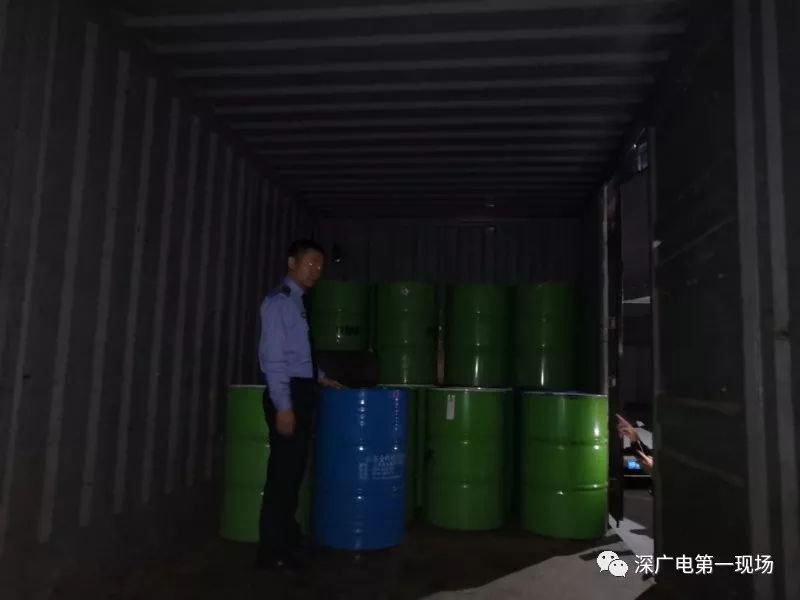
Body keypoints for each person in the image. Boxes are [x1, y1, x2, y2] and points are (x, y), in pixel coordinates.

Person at [257, 239, 343, 572]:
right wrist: (284, 406)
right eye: (310, 263)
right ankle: (271, 551)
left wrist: (319, 377)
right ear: (292, 262)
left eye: (320, 266)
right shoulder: (278, 302)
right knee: (283, 476)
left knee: (292, 475)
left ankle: (288, 539)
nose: (316, 270)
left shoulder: (298, 303)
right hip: (289, 394)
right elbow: (274, 359)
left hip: (302, 390)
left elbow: (298, 353)